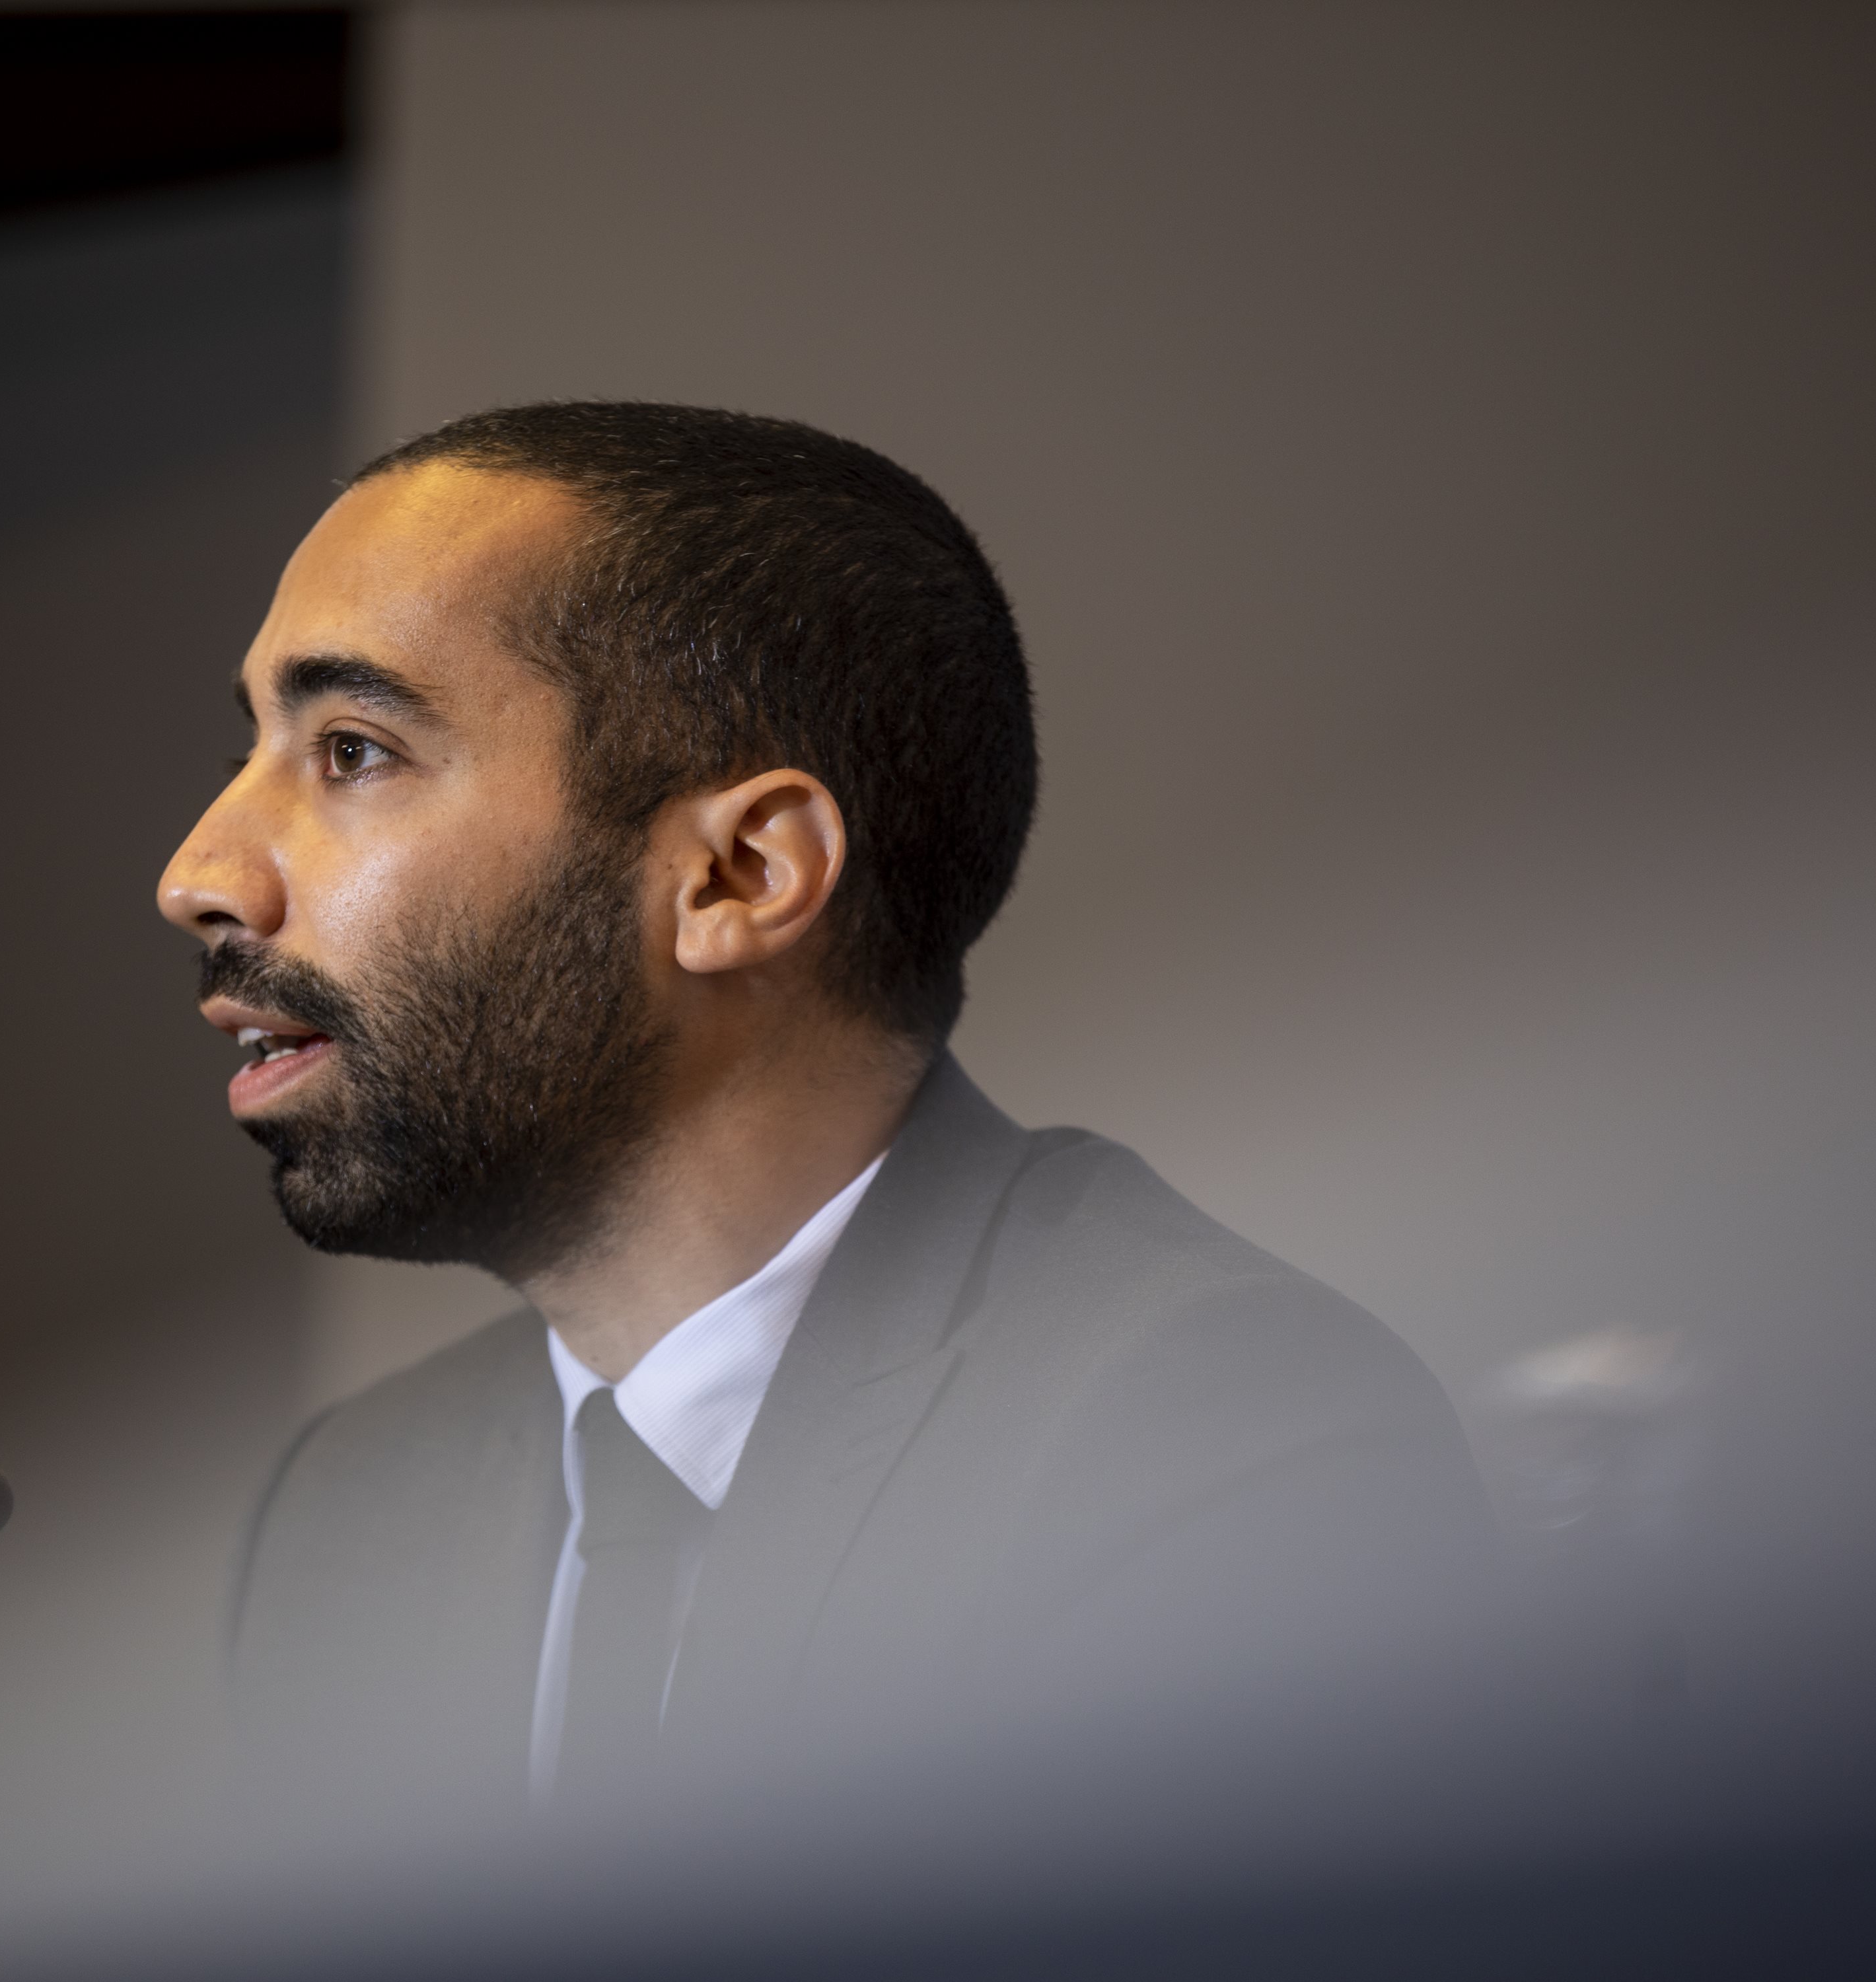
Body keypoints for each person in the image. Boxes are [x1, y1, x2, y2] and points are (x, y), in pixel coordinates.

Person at [156, 402, 1486, 1826]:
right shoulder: (348, 1519)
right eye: (251, 754)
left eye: (352, 751)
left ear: (741, 876)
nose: (198, 877)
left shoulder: (1209, 1444)